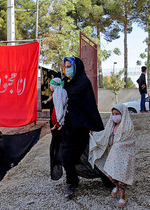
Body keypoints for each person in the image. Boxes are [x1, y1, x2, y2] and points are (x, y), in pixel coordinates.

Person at [51, 56, 104, 199]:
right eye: (65, 66)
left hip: (81, 127)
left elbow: (89, 105)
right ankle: (71, 182)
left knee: (89, 155)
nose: (67, 69)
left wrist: (93, 125)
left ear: (76, 67)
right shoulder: (65, 83)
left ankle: (107, 176)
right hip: (68, 128)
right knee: (65, 155)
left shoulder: (83, 83)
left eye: (70, 66)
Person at [89, 104, 135, 208]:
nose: (115, 116)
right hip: (113, 155)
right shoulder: (112, 125)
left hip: (124, 156)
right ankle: (116, 186)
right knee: (112, 174)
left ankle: (123, 196)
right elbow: (105, 135)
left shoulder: (128, 127)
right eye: (113, 114)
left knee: (122, 176)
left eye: (117, 114)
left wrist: (118, 146)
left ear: (123, 114)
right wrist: (94, 134)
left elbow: (129, 142)